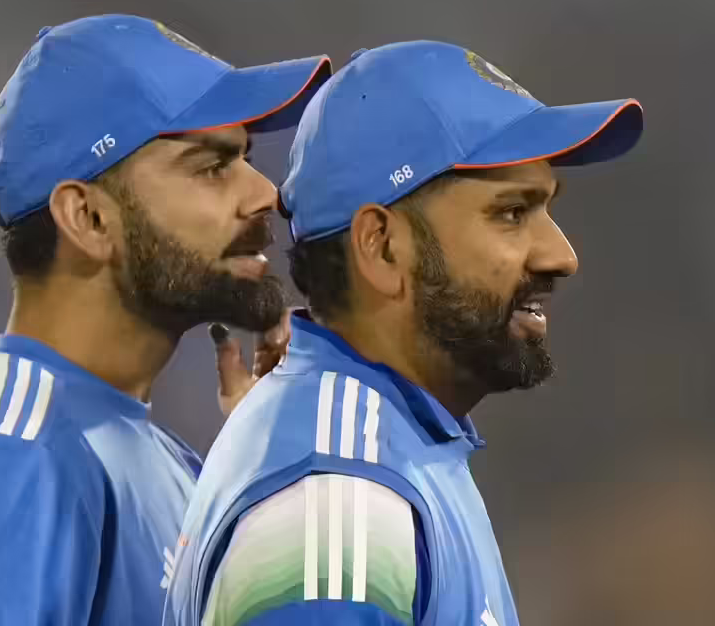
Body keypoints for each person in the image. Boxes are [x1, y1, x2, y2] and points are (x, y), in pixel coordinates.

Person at [0, 14, 331, 626]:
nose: (266, 192)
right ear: (88, 218)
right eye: (212, 166)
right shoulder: (9, 463)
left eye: (244, 157)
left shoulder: (149, 454)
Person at [163, 41, 644, 625]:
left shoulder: (393, 447)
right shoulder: (339, 499)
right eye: (512, 213)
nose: (561, 255)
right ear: (383, 246)